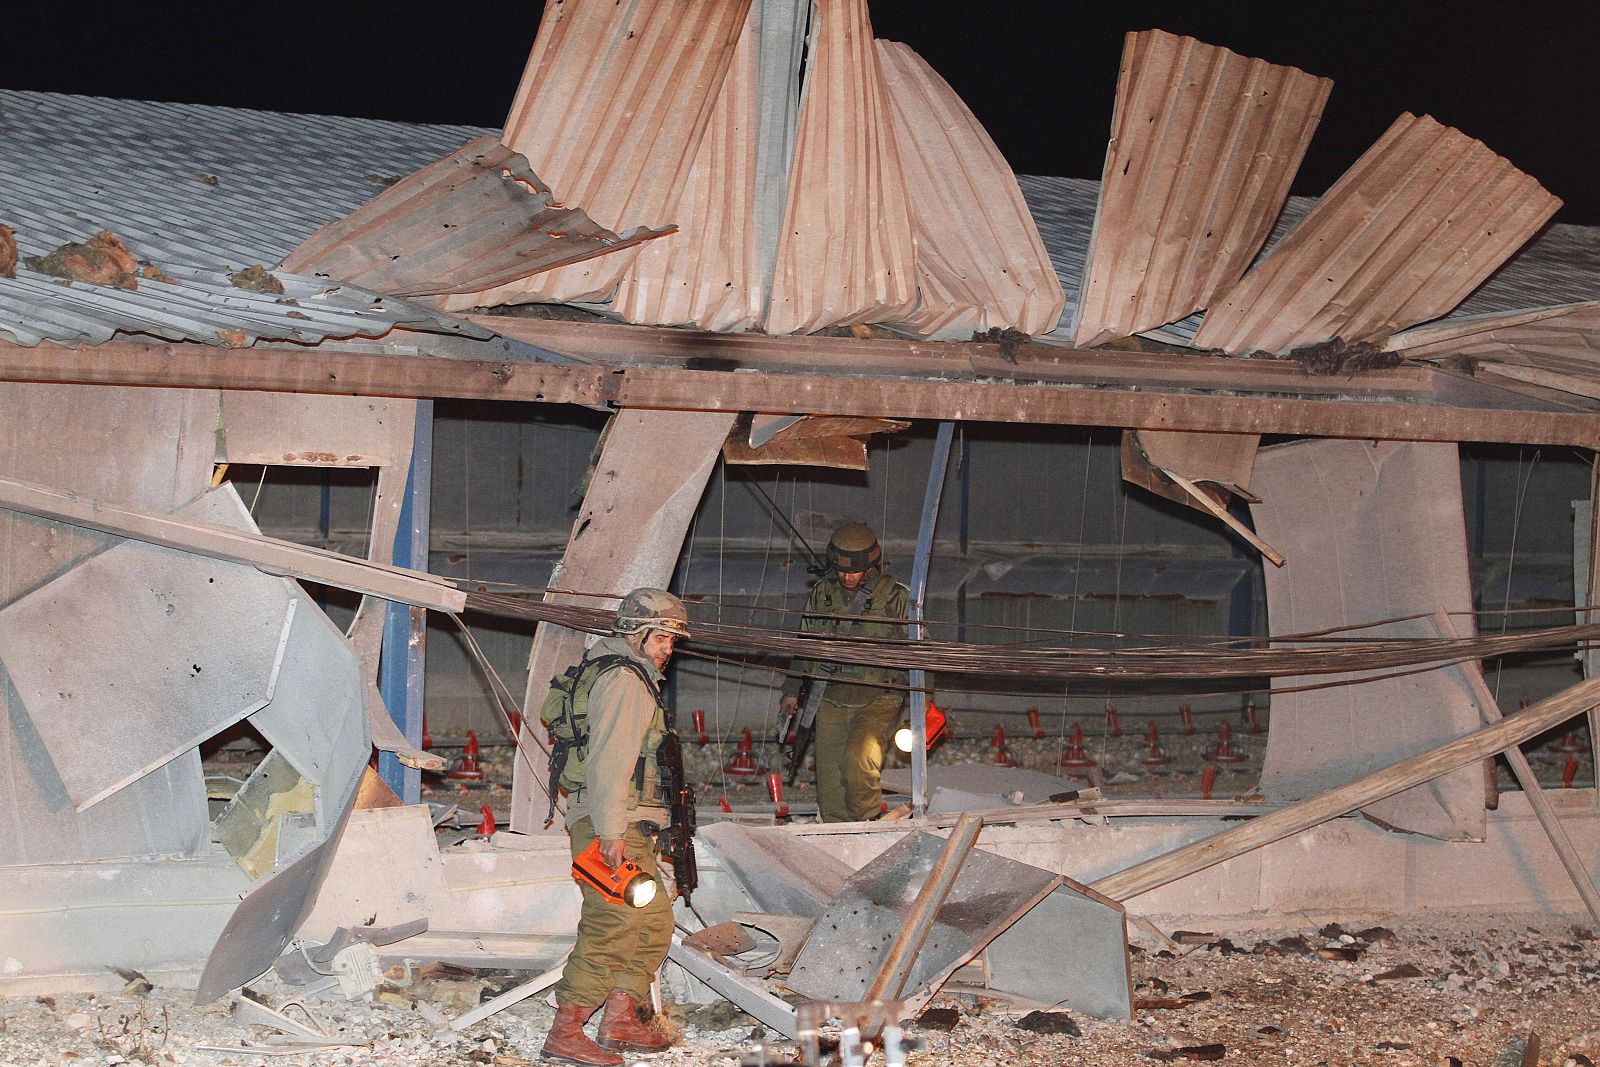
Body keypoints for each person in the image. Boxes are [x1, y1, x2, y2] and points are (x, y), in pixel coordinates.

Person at [543, 587, 688, 1066]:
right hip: (612, 820)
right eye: (663, 636)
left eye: (672, 638)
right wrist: (611, 832)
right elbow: (611, 761)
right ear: (638, 633)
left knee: (653, 920)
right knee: (614, 922)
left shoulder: (625, 674)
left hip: (623, 819)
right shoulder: (625, 682)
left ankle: (621, 1019)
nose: (669, 646)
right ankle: (566, 1031)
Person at [779, 522, 909, 822]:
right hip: (830, 694)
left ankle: (865, 827)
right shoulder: (822, 594)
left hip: (879, 695)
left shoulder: (895, 597)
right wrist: (790, 690)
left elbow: (919, 650)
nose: (847, 577)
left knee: (859, 761)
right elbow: (806, 643)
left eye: (854, 570)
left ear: (871, 565)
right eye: (841, 570)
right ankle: (835, 833)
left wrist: (922, 700)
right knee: (828, 774)